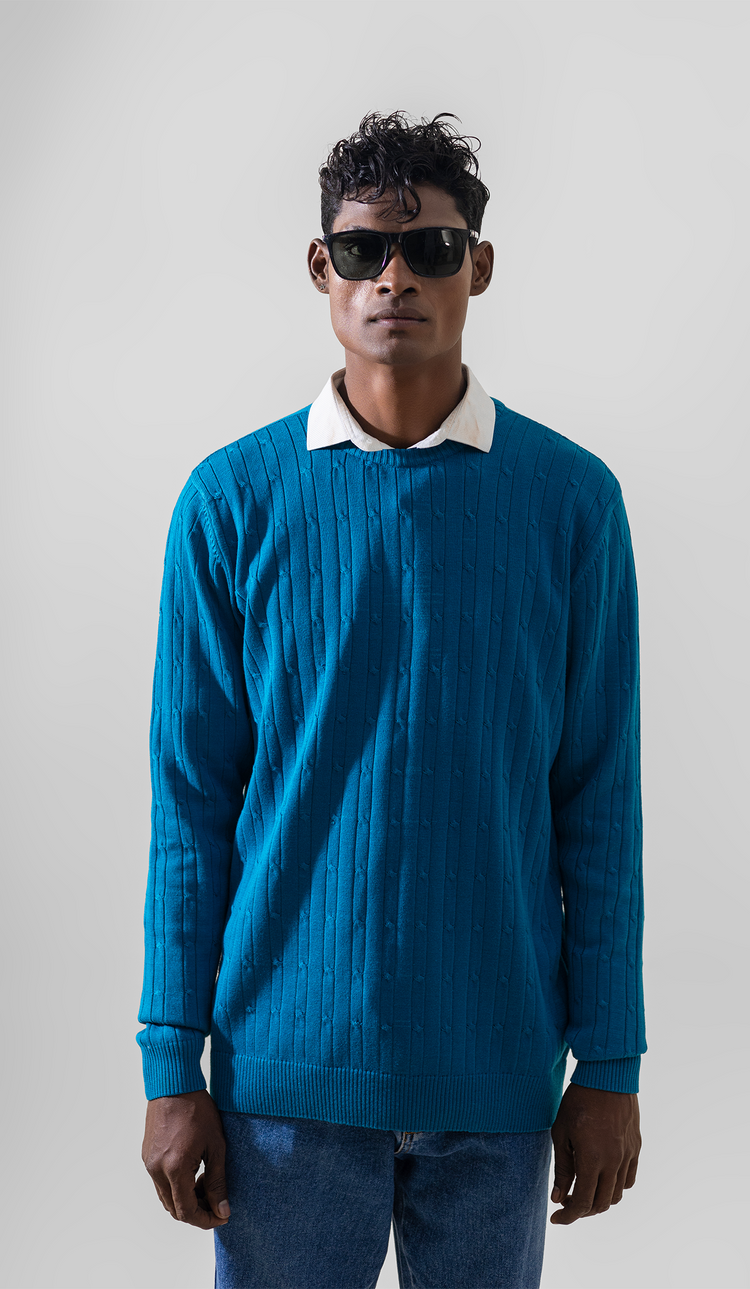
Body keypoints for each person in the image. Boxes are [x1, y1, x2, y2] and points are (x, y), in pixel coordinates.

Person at [138, 110, 646, 1289]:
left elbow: (599, 803)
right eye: (365, 249)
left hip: (499, 1079)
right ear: (323, 266)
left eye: (431, 248)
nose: (395, 277)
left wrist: (610, 1063)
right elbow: (190, 806)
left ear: (480, 264)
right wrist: (170, 1065)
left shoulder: (571, 503)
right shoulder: (231, 502)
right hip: (283, 1085)